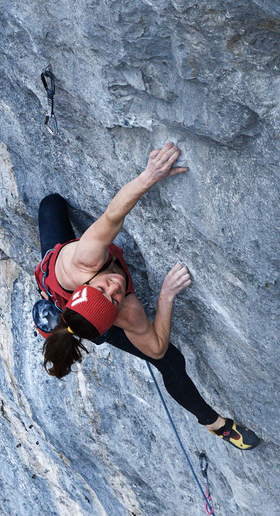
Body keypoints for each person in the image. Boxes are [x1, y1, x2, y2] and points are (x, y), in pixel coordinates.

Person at [32, 143, 261, 450]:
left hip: (58, 272)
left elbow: (114, 215)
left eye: (102, 289)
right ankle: (215, 424)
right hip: (77, 306)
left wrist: (150, 176)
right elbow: (155, 348)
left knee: (51, 203)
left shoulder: (86, 259)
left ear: (85, 289)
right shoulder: (127, 311)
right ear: (116, 314)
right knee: (171, 361)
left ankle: (58, 317)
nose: (114, 285)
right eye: (113, 298)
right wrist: (166, 297)